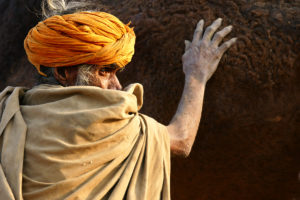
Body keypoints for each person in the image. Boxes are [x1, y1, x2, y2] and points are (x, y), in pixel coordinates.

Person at [0, 0, 237, 199]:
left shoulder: (6, 114)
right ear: (64, 73)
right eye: (104, 72)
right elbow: (181, 139)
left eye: (116, 73)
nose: (117, 86)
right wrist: (197, 74)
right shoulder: (111, 121)